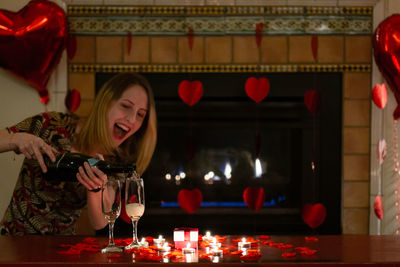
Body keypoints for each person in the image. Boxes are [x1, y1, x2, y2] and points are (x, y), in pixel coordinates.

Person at [0, 73, 157, 235]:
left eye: (140, 115)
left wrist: (95, 190)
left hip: (62, 252)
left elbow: (100, 222)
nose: (131, 119)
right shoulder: (53, 124)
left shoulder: (115, 161)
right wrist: (15, 139)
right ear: (106, 103)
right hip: (14, 242)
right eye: (126, 106)